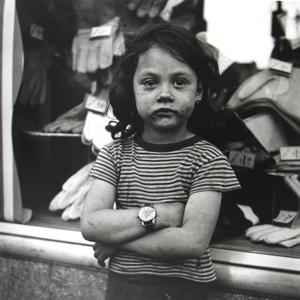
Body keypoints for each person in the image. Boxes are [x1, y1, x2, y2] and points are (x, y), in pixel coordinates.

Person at [80, 22, 241, 300]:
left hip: (184, 292)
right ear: (132, 90)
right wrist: (161, 214)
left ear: (199, 91)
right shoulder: (115, 154)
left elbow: (191, 242)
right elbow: (92, 224)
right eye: (149, 82)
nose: (165, 93)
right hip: (124, 289)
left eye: (180, 82)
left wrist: (117, 243)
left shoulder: (207, 159)